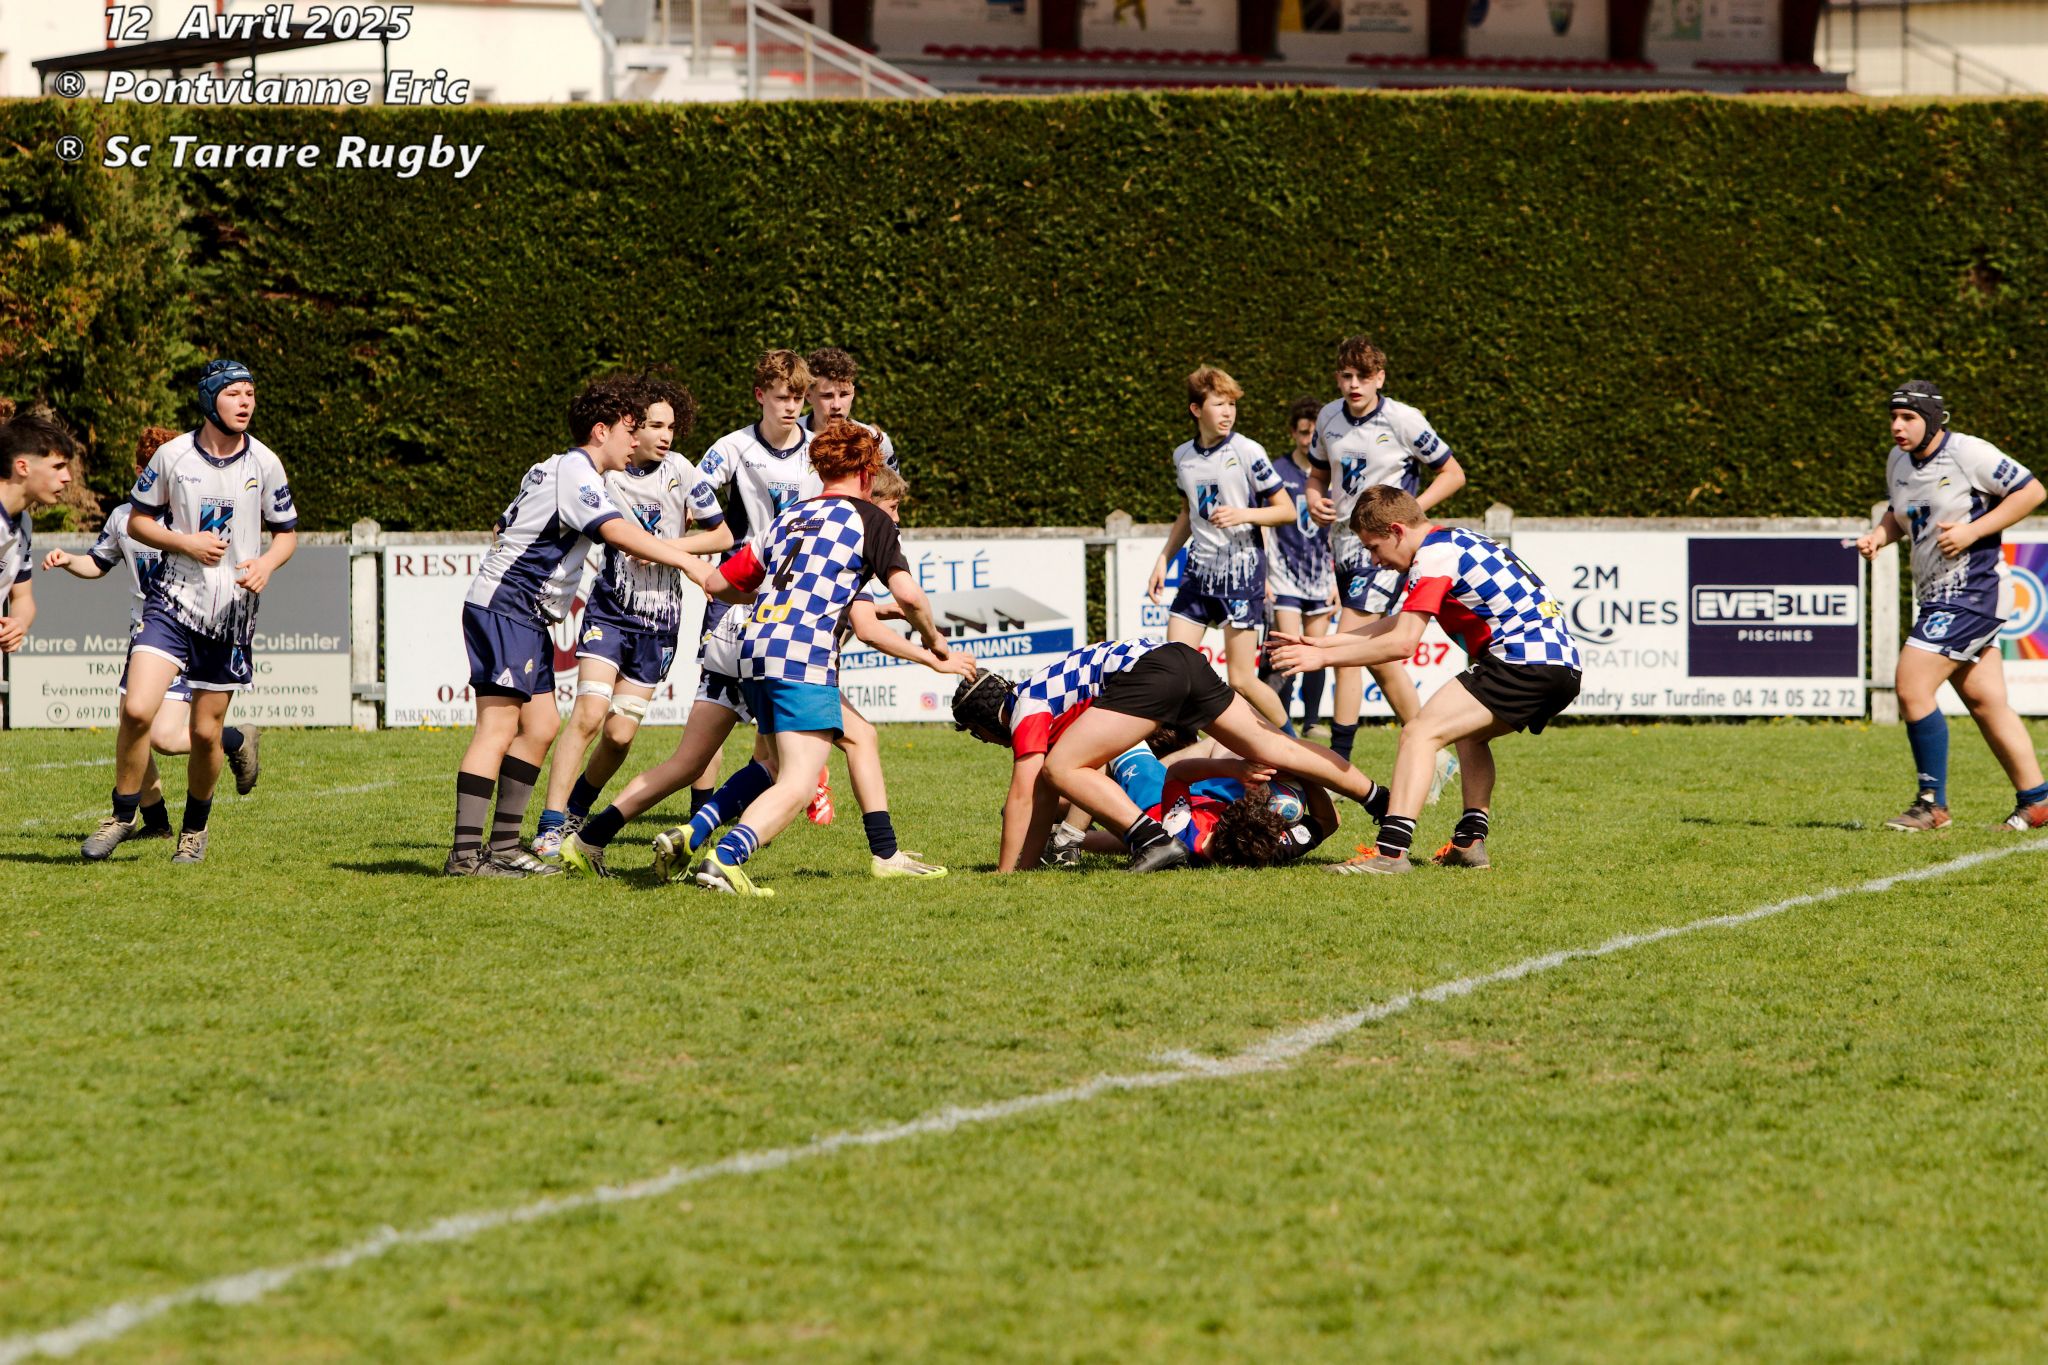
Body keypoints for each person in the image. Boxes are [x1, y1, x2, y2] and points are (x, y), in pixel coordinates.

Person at [566, 460, 969, 880]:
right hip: (794, 654)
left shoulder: (796, 515)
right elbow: (868, 624)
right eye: (894, 507)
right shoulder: (861, 526)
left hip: (740, 643)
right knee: (805, 773)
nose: (896, 518)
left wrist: (689, 563)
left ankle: (597, 836)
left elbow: (727, 583)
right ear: (869, 490)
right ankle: (863, 855)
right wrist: (933, 653)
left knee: (708, 763)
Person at [445, 374, 733, 878]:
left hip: (528, 612)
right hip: (507, 605)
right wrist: (688, 561)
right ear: (602, 431)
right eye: (629, 430)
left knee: (542, 727)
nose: (635, 441)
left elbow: (503, 524)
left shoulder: (559, 468)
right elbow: (616, 532)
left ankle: (506, 847)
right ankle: (466, 857)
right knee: (498, 727)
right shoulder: (578, 473)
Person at [665, 420, 946, 896]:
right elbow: (910, 595)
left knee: (777, 767)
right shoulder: (869, 518)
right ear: (867, 472)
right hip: (803, 658)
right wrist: (933, 641)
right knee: (798, 783)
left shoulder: (791, 515)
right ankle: (724, 860)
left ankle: (699, 834)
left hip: (754, 650)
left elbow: (719, 583)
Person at [1269, 485, 1581, 874]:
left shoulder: (1433, 556)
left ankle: (1390, 853)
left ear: (1397, 530)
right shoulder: (1451, 542)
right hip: (1561, 667)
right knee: (1470, 736)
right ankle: (1469, 842)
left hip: (1522, 661)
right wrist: (1324, 642)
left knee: (1419, 733)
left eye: (1374, 547)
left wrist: (1321, 657)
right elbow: (1397, 624)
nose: (1375, 560)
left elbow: (1402, 643)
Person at [84, 362, 293, 865]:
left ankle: (193, 832)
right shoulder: (172, 455)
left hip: (230, 615)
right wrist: (185, 543)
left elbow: (286, 534)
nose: (245, 402)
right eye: (234, 393)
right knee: (137, 711)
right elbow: (137, 522)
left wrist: (266, 564)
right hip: (171, 603)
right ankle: (122, 815)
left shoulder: (265, 462)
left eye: (250, 394)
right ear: (209, 400)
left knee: (203, 735)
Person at [952, 637, 1389, 873]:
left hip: (1153, 673)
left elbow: (1023, 796)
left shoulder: (1027, 708)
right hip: (1181, 659)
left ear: (982, 725)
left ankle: (1152, 840)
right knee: (1275, 746)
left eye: (979, 736)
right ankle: (1378, 799)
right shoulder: (1045, 697)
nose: (987, 741)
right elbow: (1043, 796)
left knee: (1062, 766)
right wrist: (1024, 871)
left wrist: (1004, 875)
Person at [531, 371, 731, 858]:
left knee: (620, 736)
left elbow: (722, 535)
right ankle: (552, 825)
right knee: (588, 714)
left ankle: (579, 807)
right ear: (630, 427)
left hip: (660, 622)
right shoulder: (603, 472)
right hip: (610, 609)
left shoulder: (682, 470)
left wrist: (669, 548)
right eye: (656, 426)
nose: (666, 436)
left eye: (672, 427)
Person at [46, 427, 258, 846]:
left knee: (163, 737)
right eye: (147, 470)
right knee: (132, 723)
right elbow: (98, 563)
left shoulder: (196, 514)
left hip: (187, 632)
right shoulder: (125, 519)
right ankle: (155, 822)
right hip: (147, 634)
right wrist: (69, 560)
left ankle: (233, 738)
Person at [1855, 380, 2046, 832]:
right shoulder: (1898, 460)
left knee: (1911, 685)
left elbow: (2032, 491)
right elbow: (1899, 514)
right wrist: (1879, 536)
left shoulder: (1968, 452)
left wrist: (1973, 531)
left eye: (1908, 417)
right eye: (1893, 417)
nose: (1897, 426)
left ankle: (1931, 804)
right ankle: (2037, 801)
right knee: (1985, 701)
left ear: (1932, 419)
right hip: (1936, 596)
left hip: (1972, 592)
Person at [1304, 335, 1466, 800]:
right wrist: (1314, 499)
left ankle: (1338, 769)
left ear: (1380, 378)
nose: (1354, 384)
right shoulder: (1328, 417)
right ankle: (1437, 753)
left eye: (1364, 376)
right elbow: (1318, 474)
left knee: (1347, 643)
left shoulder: (1403, 418)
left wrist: (1409, 515)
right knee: (1376, 657)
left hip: (1385, 550)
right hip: (1344, 545)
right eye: (1346, 376)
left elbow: (1453, 473)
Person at [692, 349, 819, 817]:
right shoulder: (733, 446)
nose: (791, 407)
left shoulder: (818, 449)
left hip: (793, 592)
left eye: (798, 398)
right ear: (760, 395)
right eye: (782, 397)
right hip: (737, 590)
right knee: (714, 707)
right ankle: (700, 808)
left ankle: (756, 800)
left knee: (777, 703)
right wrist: (705, 534)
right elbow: (694, 490)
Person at [1145, 366, 1295, 728]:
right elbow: (1188, 513)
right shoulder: (1183, 456)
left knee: (1241, 680)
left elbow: (1287, 510)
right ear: (1196, 409)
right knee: (1173, 669)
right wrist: (1164, 559)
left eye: (1232, 404)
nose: (1228, 412)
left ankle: (1295, 748)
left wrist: (1243, 514)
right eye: (1219, 404)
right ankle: (1181, 752)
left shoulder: (1247, 451)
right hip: (1198, 574)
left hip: (1242, 575)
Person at [1077, 737, 1340, 867]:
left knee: (1121, 743)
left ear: (1224, 817)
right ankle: (1070, 835)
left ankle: (1069, 831)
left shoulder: (1180, 830)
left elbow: (1177, 774)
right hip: (1198, 800)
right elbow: (1330, 820)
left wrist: (1232, 769)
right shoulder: (1269, 848)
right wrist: (1305, 777)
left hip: (1152, 804)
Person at [1263, 395, 1338, 734]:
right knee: (1288, 648)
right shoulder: (1277, 471)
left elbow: (1339, 530)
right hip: (1283, 576)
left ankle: (1312, 722)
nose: (1309, 440)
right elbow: (1264, 523)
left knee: (1317, 649)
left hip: (1321, 577)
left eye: (1315, 434)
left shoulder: (1332, 473)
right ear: (1293, 432)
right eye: (1304, 433)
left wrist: (1337, 581)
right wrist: (1264, 573)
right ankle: (1280, 722)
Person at [0, 409, 77, 658]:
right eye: (58, 466)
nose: (67, 477)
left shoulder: (23, 523)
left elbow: (22, 597)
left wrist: (19, 623)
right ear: (23, 467)